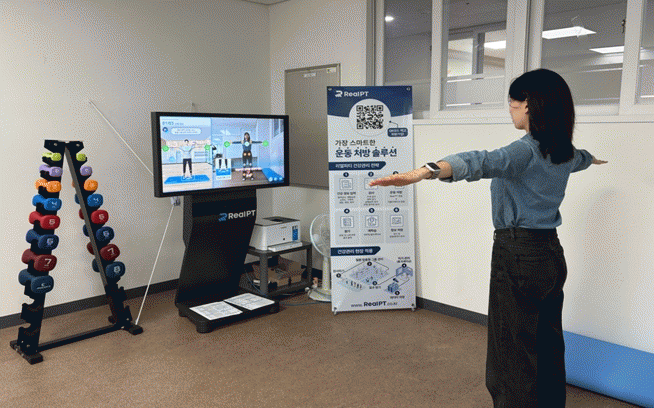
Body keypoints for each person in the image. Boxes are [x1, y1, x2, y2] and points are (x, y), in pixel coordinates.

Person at [369, 68, 607, 408]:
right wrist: (592, 159)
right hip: (551, 256)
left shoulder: (526, 151)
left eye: (512, 103)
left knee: (511, 351)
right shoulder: (565, 151)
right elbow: (582, 158)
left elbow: (481, 161)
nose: (510, 109)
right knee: (547, 343)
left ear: (529, 105)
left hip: (518, 255)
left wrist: (425, 171)